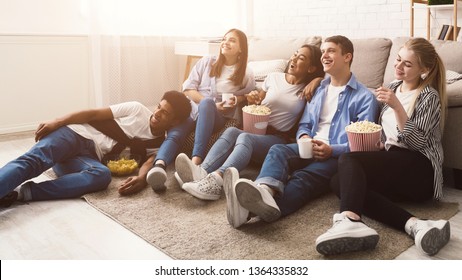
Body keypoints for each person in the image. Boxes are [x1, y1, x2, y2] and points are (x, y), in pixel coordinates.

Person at [223, 35, 379, 228]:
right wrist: (303, 136)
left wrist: (332, 150)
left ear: (347, 57)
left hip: (334, 157)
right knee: (278, 150)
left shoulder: (365, 97)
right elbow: (304, 124)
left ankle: (248, 212)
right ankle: (265, 190)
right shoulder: (317, 88)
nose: (324, 56)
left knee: (303, 179)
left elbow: (363, 143)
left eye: (331, 51)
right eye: (322, 52)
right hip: (307, 146)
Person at [315, 37, 450, 256]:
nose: (398, 66)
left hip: (420, 169)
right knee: (339, 182)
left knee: (348, 159)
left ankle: (349, 219)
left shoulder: (428, 96)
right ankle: (416, 225)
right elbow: (389, 132)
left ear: (424, 68)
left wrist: (396, 106)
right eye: (398, 60)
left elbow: (417, 143)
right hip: (395, 163)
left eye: (407, 64)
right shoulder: (395, 86)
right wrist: (380, 143)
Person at [175, 44, 325, 201]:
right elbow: (258, 104)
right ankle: (201, 171)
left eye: (301, 58)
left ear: (311, 68)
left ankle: (215, 181)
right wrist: (253, 99)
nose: (294, 58)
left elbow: (331, 83)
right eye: (294, 54)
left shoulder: (309, 89)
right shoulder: (274, 77)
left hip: (276, 138)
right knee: (232, 131)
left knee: (245, 138)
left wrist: (318, 79)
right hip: (256, 129)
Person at [0, 91, 191, 207]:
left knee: (102, 175)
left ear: (175, 121)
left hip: (87, 157)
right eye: (159, 106)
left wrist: (141, 179)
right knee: (33, 162)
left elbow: (149, 164)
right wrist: (57, 121)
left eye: (164, 113)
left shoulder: (159, 145)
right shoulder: (137, 109)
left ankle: (21, 193)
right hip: (73, 134)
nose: (156, 113)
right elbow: (92, 114)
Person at [146, 28, 255, 191]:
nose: (226, 42)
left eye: (232, 40)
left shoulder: (246, 72)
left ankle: (195, 162)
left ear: (241, 48)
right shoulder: (207, 61)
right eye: (225, 39)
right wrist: (208, 102)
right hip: (193, 112)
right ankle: (159, 166)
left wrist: (236, 99)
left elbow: (248, 95)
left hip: (218, 118)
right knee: (177, 133)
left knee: (207, 105)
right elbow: (187, 89)